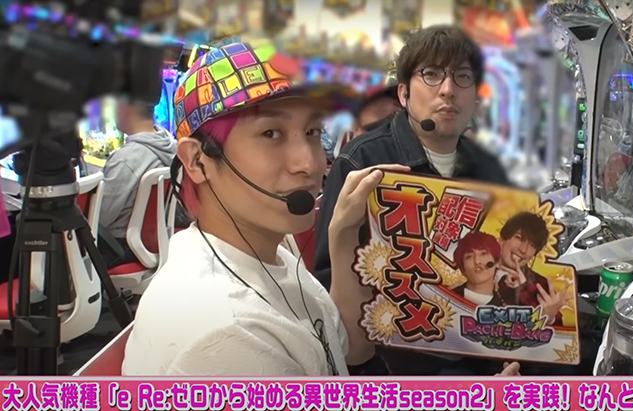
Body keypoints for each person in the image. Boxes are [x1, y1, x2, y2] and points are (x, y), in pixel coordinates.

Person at [120, 42, 519, 378]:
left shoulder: (271, 255)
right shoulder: (226, 334)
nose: (309, 163)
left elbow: (351, 351)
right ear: (197, 160)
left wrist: (342, 237)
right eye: (271, 133)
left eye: (311, 132)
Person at [315, 25, 512, 376]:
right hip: (387, 365)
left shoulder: (490, 169)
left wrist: (511, 358)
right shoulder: (362, 162)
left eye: (462, 77)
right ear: (404, 93)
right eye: (431, 74)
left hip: (474, 353)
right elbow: (327, 280)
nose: (448, 90)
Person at [98, 100, 177, 268]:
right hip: (154, 242)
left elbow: (100, 218)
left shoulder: (126, 160)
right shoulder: (171, 146)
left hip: (120, 249)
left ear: (126, 108)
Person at [495, 212, 568, 325]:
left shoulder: (541, 286)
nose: (523, 250)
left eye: (532, 245)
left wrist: (549, 318)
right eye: (519, 238)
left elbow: (559, 331)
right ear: (502, 240)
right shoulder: (477, 270)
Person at [451, 231, 502, 306]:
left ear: (497, 262)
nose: (477, 261)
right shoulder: (447, 297)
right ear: (462, 270)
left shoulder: (503, 309)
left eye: (483, 254)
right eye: (469, 256)